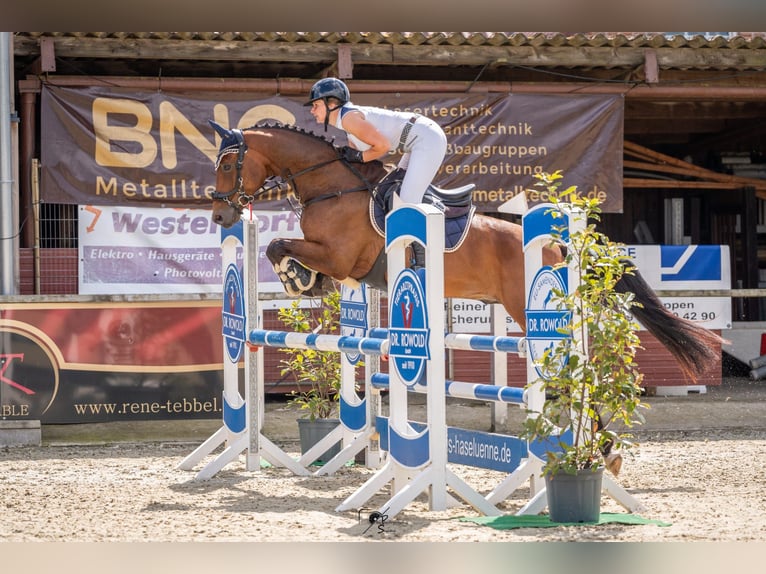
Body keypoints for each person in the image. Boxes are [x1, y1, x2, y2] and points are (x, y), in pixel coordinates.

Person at [305, 77, 448, 207]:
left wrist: (359, 157)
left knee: (407, 201)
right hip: (418, 139)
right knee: (396, 194)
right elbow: (357, 165)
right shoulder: (345, 121)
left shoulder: (348, 119)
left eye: (316, 105)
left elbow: (382, 146)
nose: (312, 110)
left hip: (427, 138)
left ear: (331, 104)